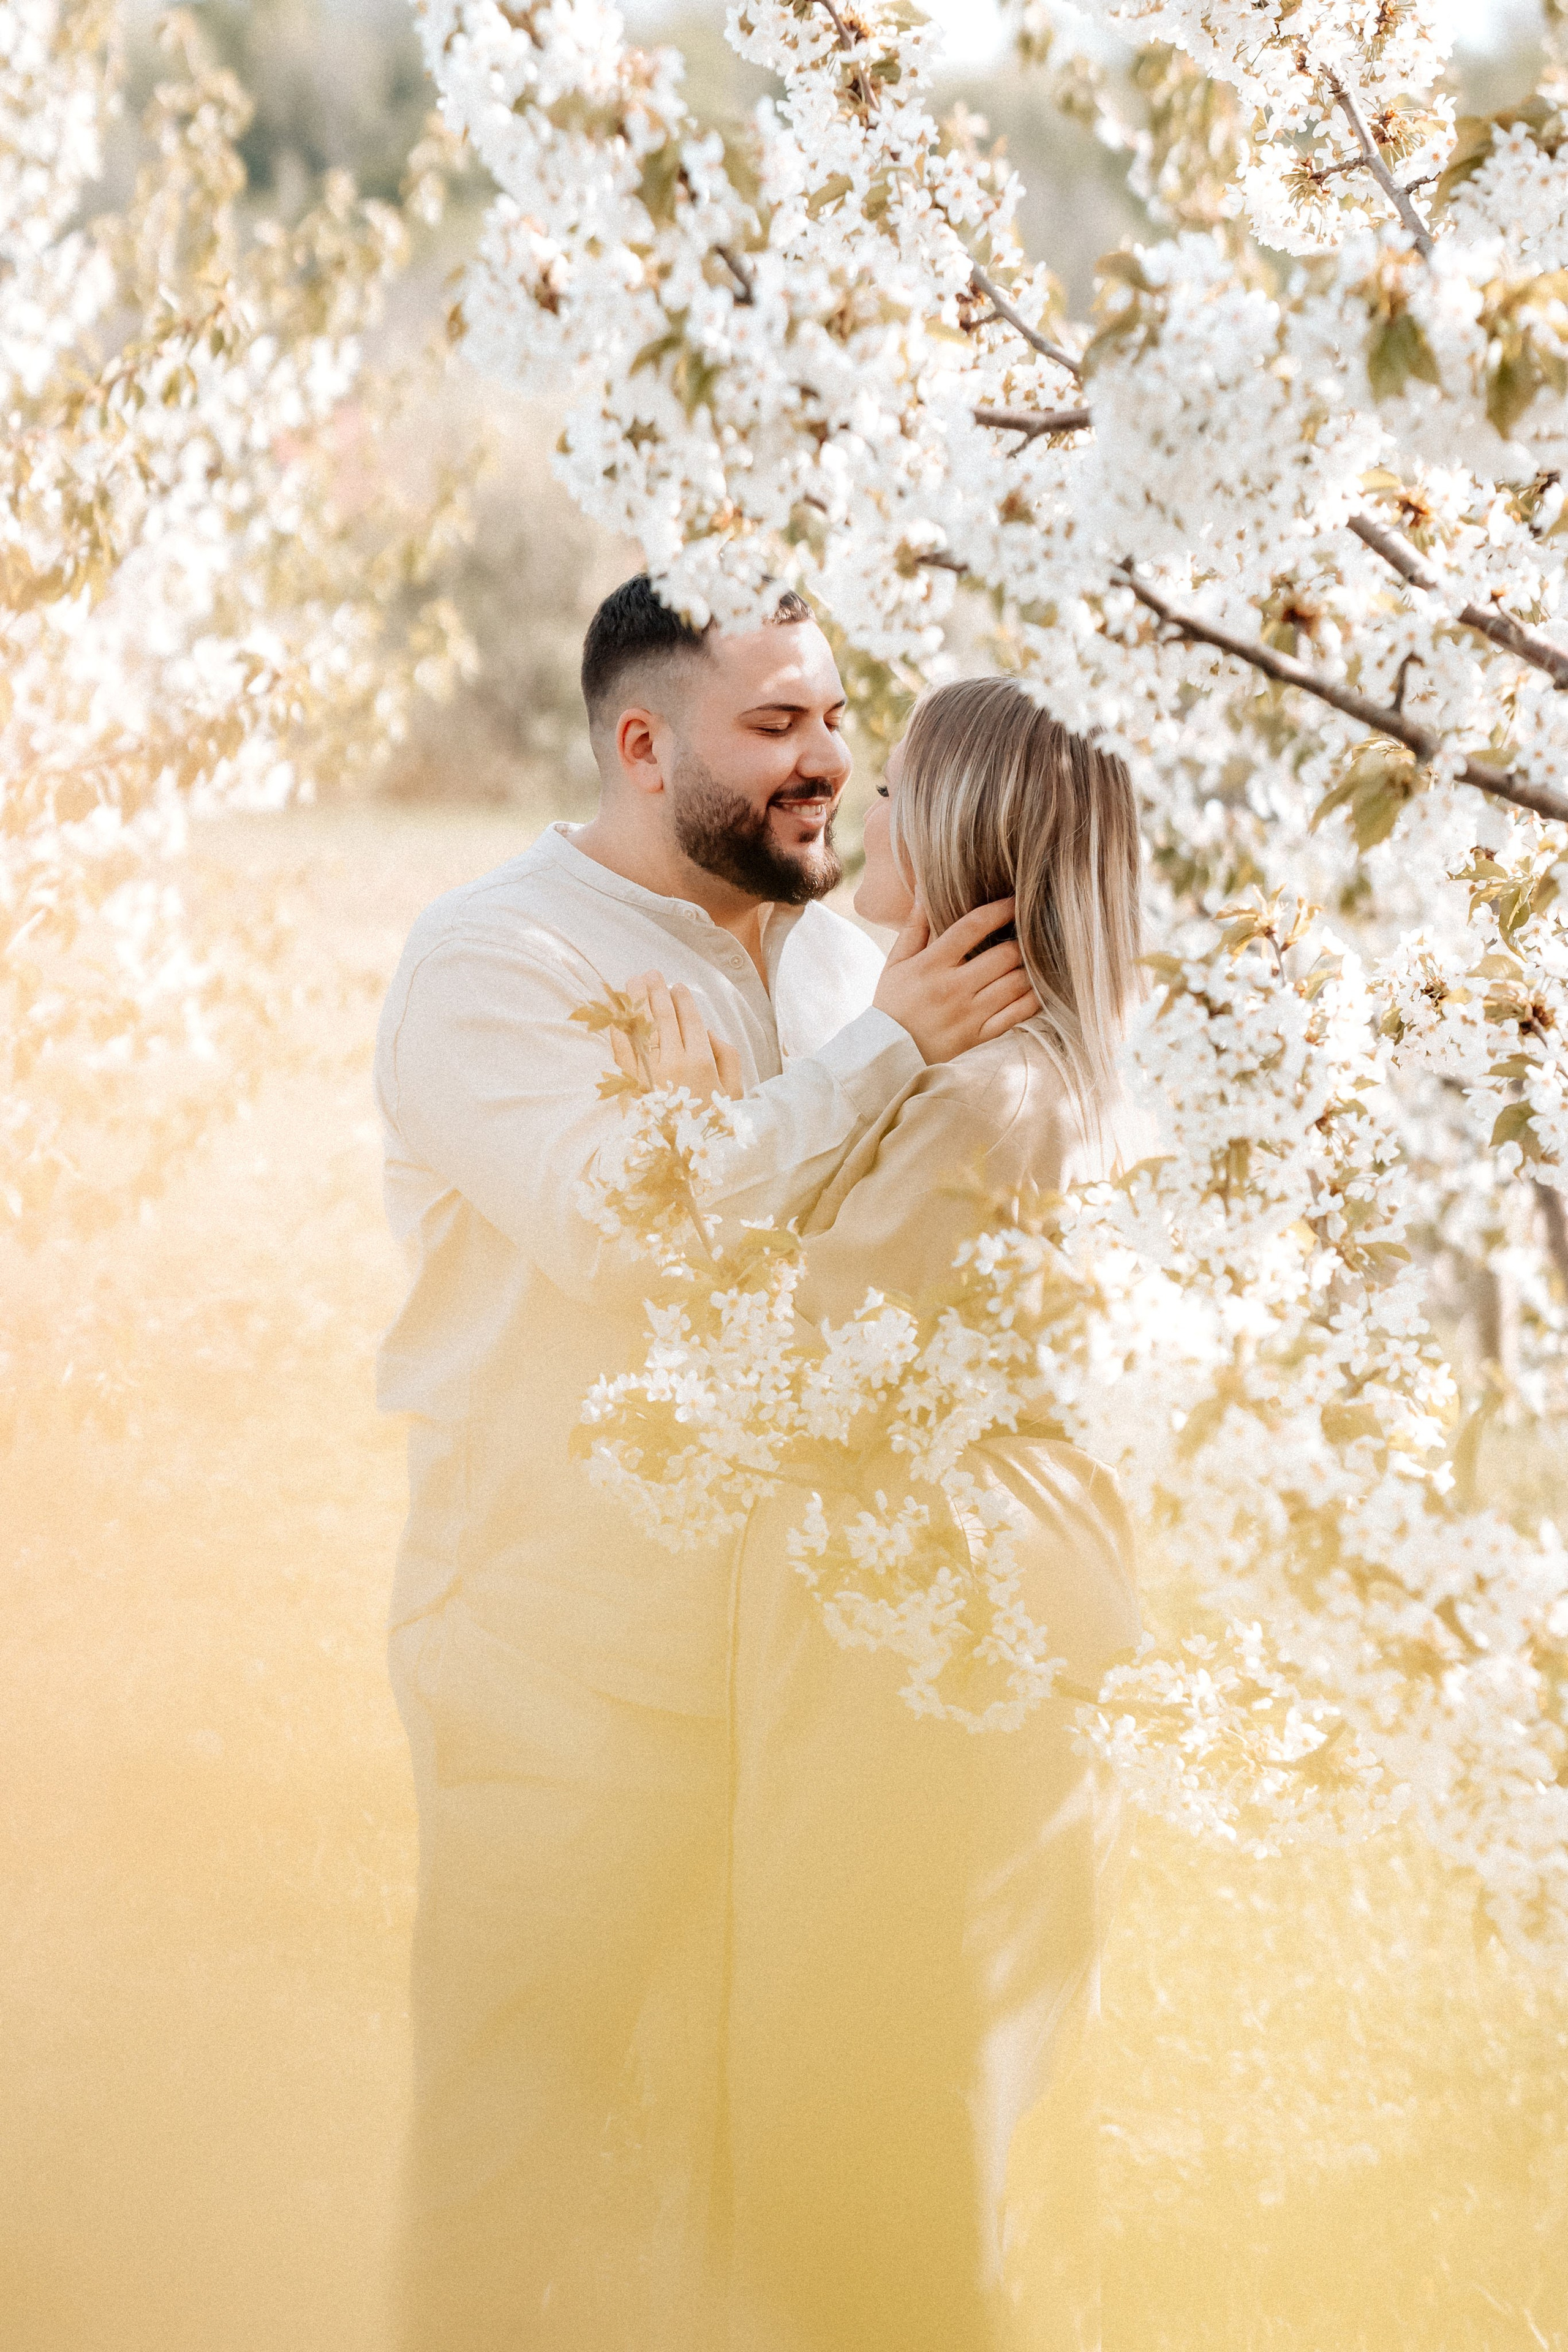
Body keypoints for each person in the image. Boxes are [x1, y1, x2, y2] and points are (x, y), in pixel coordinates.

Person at [374, 578, 1039, 2351]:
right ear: (643, 742)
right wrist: (867, 1068)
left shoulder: (828, 955)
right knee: (522, 2147)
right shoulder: (500, 963)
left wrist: (755, 1124)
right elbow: (634, 1233)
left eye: (837, 719)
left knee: (722, 2178)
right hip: (557, 1653)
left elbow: (855, 1247)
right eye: (778, 728)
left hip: (794, 1673)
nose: (828, 766)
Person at [719, 675, 1147, 2352]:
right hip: (991, 1606)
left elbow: (802, 1351)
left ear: (964, 841)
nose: (864, 816)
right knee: (972, 2079)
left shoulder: (983, 1104)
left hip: (917, 1631)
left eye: (896, 791)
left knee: (877, 2068)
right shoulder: (1044, 1073)